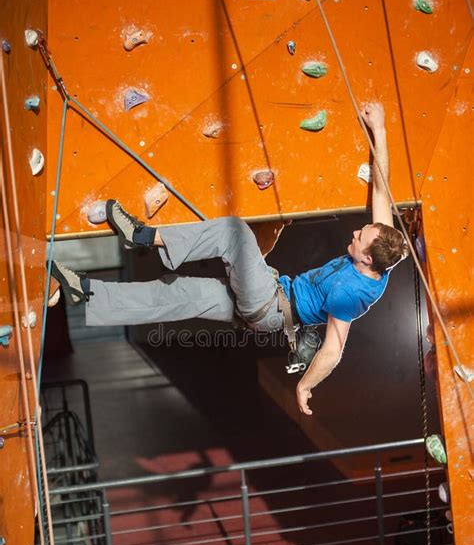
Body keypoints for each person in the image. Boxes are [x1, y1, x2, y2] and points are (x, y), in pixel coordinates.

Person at [51, 103, 407, 416]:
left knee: (233, 233)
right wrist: (380, 129)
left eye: (361, 238)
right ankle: (86, 292)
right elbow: (381, 187)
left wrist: (305, 386)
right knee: (176, 294)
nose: (357, 232)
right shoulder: (383, 248)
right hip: (269, 295)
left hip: (270, 306)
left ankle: (141, 237)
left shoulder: (353, 293)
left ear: (366, 260)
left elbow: (333, 350)